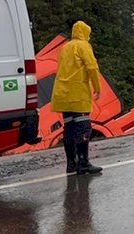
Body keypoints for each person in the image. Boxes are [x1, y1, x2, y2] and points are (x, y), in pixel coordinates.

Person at [51, 20, 103, 175]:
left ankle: (71, 163)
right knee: (83, 128)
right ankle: (83, 163)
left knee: (69, 129)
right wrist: (97, 87)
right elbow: (92, 67)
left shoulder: (65, 47)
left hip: (62, 94)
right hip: (77, 93)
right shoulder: (83, 46)